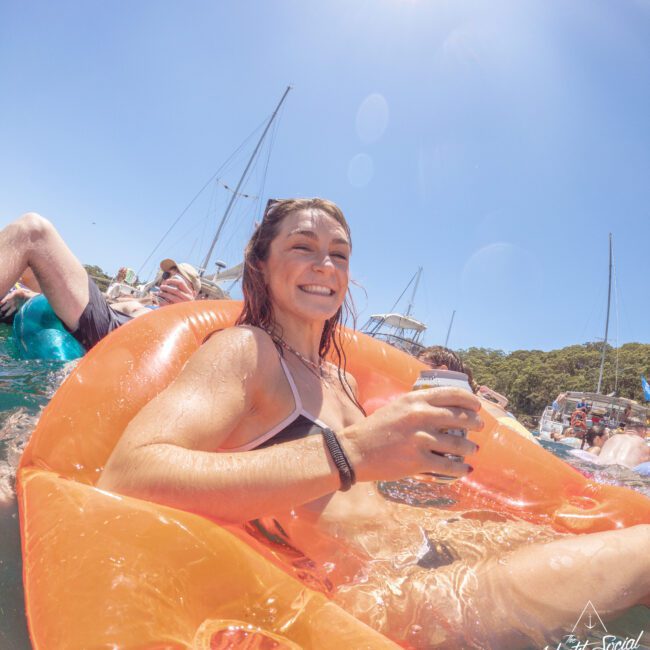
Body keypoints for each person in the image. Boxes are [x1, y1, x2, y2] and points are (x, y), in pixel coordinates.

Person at [98, 198, 650, 648]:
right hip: (385, 595)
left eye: (339, 254)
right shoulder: (246, 352)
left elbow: (359, 500)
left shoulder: (344, 380)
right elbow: (129, 473)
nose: (326, 266)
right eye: (303, 247)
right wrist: (350, 454)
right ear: (260, 265)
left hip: (432, 549)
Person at [0, 213, 200, 350]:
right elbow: (105, 305)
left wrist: (186, 315)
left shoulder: (196, 324)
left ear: (193, 293)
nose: (170, 281)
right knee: (27, 266)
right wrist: (31, 295)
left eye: (179, 279)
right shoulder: (143, 302)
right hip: (104, 317)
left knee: (33, 230)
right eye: (167, 275)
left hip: (114, 335)